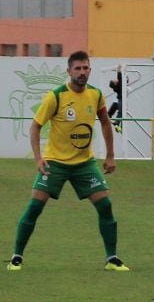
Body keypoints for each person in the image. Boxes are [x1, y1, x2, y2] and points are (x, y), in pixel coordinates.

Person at [8, 51, 125, 272]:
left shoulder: (96, 95)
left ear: (89, 70)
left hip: (84, 164)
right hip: (56, 163)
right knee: (34, 207)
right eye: (78, 68)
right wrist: (39, 158)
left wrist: (110, 155)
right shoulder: (56, 96)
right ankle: (16, 257)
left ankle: (112, 258)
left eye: (86, 68)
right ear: (69, 71)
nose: (82, 72)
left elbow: (106, 123)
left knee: (106, 206)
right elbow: (35, 126)